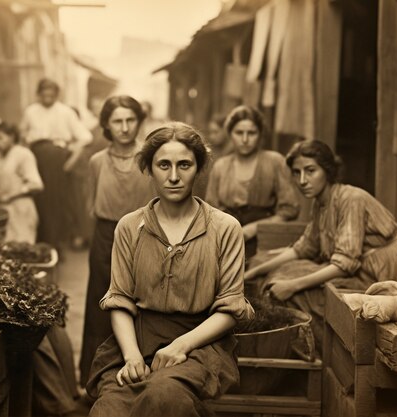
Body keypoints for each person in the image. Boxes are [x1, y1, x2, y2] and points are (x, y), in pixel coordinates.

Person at [86, 122, 255, 417]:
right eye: (163, 165)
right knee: (109, 410)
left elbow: (230, 310)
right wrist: (132, 356)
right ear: (149, 169)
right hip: (138, 337)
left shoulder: (224, 228)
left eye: (185, 165)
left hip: (200, 342)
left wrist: (181, 346)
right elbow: (120, 300)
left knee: (164, 397)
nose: (174, 176)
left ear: (199, 169)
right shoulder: (129, 226)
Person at [244, 139, 397, 344]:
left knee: (299, 292)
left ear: (328, 171)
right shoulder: (321, 203)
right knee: (272, 269)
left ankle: (322, 352)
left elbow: (345, 264)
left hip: (384, 273)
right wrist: (253, 271)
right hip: (357, 269)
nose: (302, 180)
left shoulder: (350, 199)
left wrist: (292, 286)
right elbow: (303, 248)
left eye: (310, 171)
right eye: (297, 172)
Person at [79, 95, 155, 387]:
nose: (124, 127)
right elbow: (91, 203)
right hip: (105, 237)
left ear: (139, 122)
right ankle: (93, 376)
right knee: (102, 303)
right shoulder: (97, 161)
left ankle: (139, 371)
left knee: (141, 302)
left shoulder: (149, 159)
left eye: (130, 120)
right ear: (106, 126)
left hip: (143, 235)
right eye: (117, 121)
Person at [205, 105, 299, 258]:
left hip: (264, 239)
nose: (245, 139)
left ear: (260, 135)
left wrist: (254, 228)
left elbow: (289, 210)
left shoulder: (274, 161)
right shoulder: (221, 166)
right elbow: (210, 211)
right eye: (239, 133)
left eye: (252, 133)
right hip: (226, 238)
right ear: (230, 134)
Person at [19, 78, 92, 248]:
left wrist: (69, 162)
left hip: (58, 159)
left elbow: (85, 138)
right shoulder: (31, 111)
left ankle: (55, 245)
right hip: (36, 158)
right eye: (44, 94)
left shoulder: (66, 112)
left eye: (51, 95)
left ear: (56, 95)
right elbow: (23, 137)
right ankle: (40, 243)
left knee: (56, 202)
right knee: (38, 200)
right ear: (38, 94)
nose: (47, 98)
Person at [0, 123, 43, 244]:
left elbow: (36, 184)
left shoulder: (23, 154)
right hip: (3, 213)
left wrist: (12, 194)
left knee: (20, 251)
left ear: (12, 137)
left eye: (0, 138)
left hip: (21, 211)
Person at [193, 114, 232, 199]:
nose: (212, 136)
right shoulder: (210, 151)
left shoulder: (232, 153)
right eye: (210, 132)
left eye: (216, 132)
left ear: (225, 131)